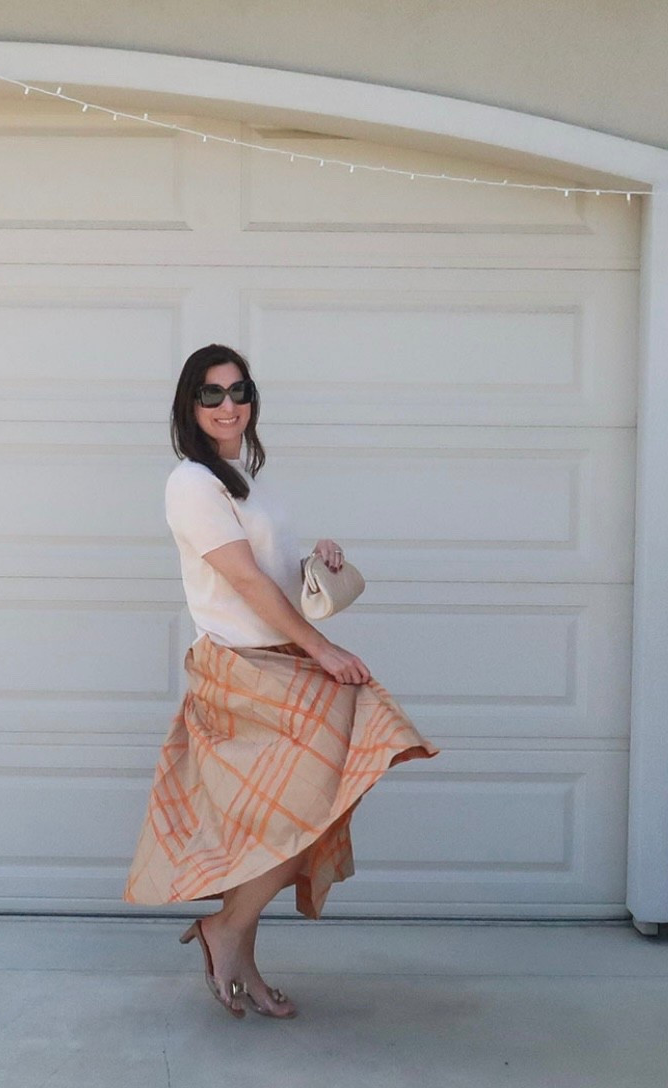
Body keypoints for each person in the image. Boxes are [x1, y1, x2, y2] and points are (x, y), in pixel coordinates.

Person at [123, 344, 438, 1019]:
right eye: (212, 394)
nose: (229, 405)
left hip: (279, 660)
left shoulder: (243, 478)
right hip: (245, 671)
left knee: (274, 821)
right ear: (190, 404)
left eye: (240, 391)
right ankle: (225, 932)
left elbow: (263, 572)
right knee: (295, 813)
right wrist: (322, 647)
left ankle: (234, 944)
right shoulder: (191, 483)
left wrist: (312, 562)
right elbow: (238, 581)